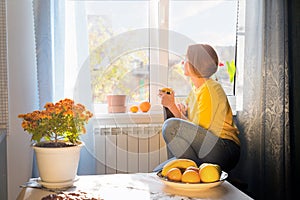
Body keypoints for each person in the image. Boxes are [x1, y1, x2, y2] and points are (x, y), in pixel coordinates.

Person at [156, 44, 240, 172]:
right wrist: (179, 108)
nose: (183, 62)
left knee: (170, 126)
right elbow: (189, 128)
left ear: (196, 64)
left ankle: (196, 173)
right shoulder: (195, 91)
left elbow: (199, 130)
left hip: (223, 149)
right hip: (206, 147)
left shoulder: (211, 89)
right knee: (159, 171)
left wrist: (172, 106)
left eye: (187, 59)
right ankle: (197, 172)